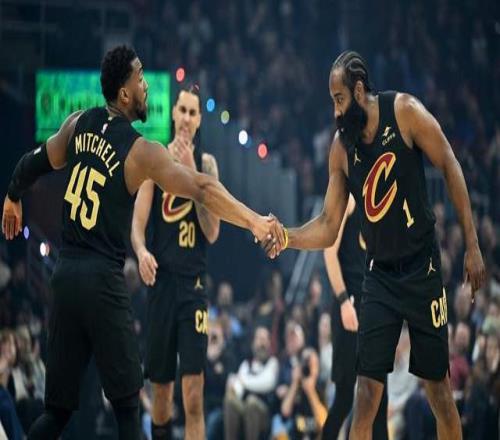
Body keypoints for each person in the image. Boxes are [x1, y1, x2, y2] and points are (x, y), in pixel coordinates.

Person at [1, 45, 281, 439]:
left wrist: (13, 193)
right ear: (124, 93)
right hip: (103, 280)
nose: (146, 86)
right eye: (141, 78)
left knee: (56, 413)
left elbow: (34, 161)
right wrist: (254, 221)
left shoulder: (78, 124)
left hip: (64, 277)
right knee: (129, 410)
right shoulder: (141, 151)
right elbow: (202, 189)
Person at [264, 50, 485, 440]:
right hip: (379, 275)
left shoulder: (404, 112)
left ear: (358, 90)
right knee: (365, 393)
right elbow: (329, 225)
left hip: (422, 267)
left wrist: (472, 243)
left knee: (438, 392)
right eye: (332, 101)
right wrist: (288, 236)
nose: (335, 111)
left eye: (339, 99)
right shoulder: (341, 148)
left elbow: (450, 164)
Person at [130, 85, 221, 439]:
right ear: (173, 114)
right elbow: (137, 227)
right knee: (162, 395)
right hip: (162, 286)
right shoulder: (155, 161)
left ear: (199, 121)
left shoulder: (207, 165)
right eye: (182, 110)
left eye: (192, 113)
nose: (186, 118)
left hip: (193, 286)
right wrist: (141, 252)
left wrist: (192, 172)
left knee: (194, 395)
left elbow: (212, 232)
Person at [322, 194, 388, 439]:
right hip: (348, 305)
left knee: (380, 398)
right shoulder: (348, 197)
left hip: (374, 307)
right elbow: (329, 253)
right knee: (344, 396)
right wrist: (342, 301)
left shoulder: (380, 198)